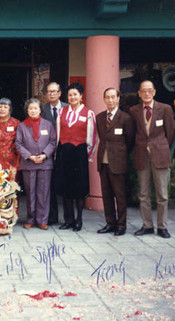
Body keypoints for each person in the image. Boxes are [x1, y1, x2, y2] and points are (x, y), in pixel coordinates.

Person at [129, 80, 175, 239]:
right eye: (143, 91)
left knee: (162, 195)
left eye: (149, 90)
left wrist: (159, 147)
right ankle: (147, 225)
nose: (146, 93)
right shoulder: (133, 111)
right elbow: (133, 133)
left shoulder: (165, 109)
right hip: (142, 156)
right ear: (139, 93)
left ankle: (162, 227)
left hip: (160, 155)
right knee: (143, 194)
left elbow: (170, 133)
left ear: (154, 92)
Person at [55, 82, 98, 232]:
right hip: (64, 152)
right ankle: (68, 219)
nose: (72, 97)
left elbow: (92, 138)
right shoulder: (61, 112)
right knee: (66, 188)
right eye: (70, 95)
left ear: (81, 96)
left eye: (75, 94)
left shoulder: (88, 113)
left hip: (79, 154)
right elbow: (57, 134)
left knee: (79, 189)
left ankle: (79, 219)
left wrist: (86, 155)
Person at [96, 88, 134, 236]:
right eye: (107, 97)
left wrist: (120, 154)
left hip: (118, 162)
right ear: (104, 99)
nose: (110, 100)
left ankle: (121, 224)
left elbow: (129, 141)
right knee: (106, 195)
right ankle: (110, 223)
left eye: (113, 97)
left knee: (120, 195)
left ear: (118, 99)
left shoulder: (125, 118)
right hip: (103, 161)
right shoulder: (99, 117)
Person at [16, 98, 56, 230]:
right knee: (30, 192)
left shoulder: (48, 124)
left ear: (40, 110)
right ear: (27, 111)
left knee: (43, 192)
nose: (33, 111)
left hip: (45, 163)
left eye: (35, 108)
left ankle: (42, 220)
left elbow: (52, 141)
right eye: (30, 108)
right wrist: (30, 156)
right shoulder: (22, 126)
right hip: (29, 163)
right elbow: (18, 144)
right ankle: (30, 218)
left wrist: (44, 155)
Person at [41, 82, 67, 225]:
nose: (52, 94)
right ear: (46, 94)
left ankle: (69, 218)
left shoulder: (67, 108)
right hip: (47, 152)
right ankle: (52, 217)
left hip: (65, 152)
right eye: (49, 92)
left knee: (66, 184)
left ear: (59, 93)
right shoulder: (42, 110)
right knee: (49, 185)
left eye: (54, 91)